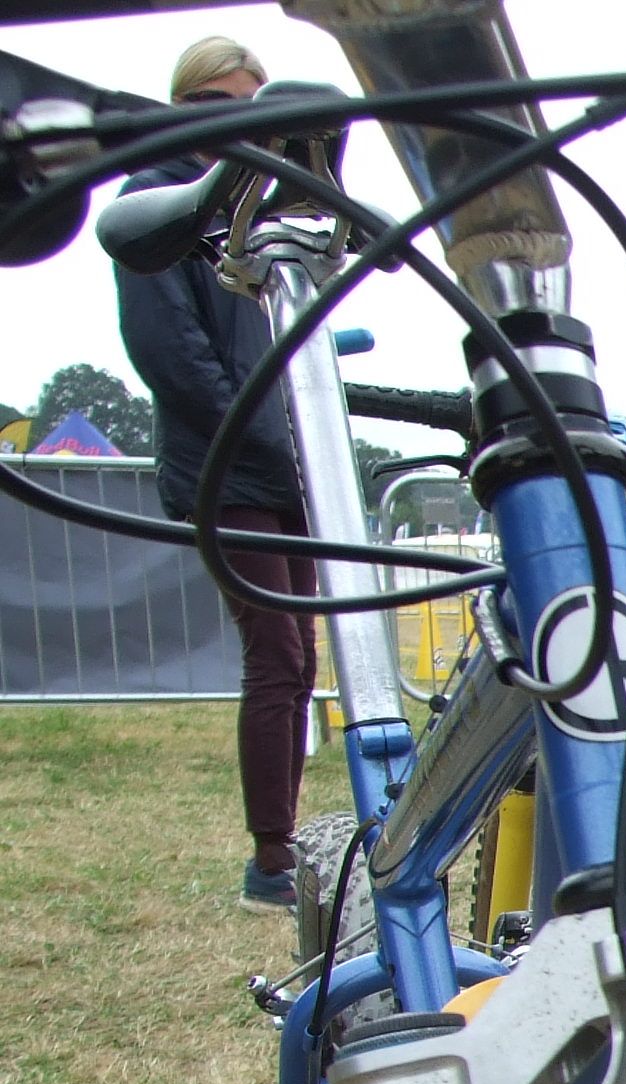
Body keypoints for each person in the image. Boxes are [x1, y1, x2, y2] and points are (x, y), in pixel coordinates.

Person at [115, 36, 316, 912]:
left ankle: (289, 839)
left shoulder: (255, 212)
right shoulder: (153, 208)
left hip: (281, 465)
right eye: (229, 105)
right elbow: (170, 354)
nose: (249, 125)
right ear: (192, 105)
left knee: (303, 654)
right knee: (274, 656)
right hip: (226, 470)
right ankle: (270, 860)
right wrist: (263, 433)